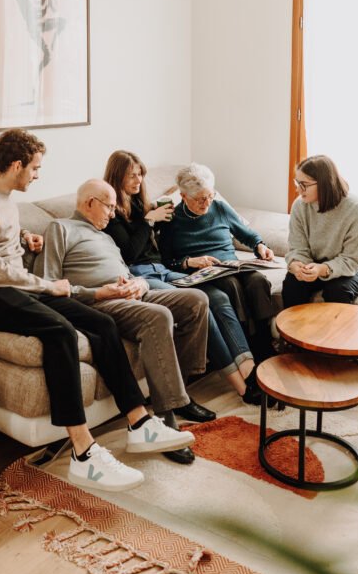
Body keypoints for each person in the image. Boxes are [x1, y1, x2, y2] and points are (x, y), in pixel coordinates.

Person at [0, 129, 194, 493]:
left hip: (12, 286)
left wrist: (22, 240)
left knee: (102, 322)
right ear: (16, 165)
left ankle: (139, 423)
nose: (37, 174)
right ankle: (83, 452)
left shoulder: (4, 197)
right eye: (34, 168)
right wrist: (49, 285)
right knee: (60, 331)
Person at [37, 178, 215, 466]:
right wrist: (98, 292)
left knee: (196, 300)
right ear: (89, 203)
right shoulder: (61, 228)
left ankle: (181, 391)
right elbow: (49, 285)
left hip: (131, 295)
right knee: (160, 317)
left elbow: (129, 273)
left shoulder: (105, 236)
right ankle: (168, 418)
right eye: (109, 207)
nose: (112, 213)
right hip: (102, 303)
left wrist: (140, 285)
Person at [103, 150, 261, 405]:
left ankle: (249, 368)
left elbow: (160, 252)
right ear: (116, 176)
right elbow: (130, 254)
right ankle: (243, 388)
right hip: (140, 274)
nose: (138, 180)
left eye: (140, 174)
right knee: (203, 303)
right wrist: (148, 222)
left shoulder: (138, 203)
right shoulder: (111, 211)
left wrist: (153, 211)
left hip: (162, 270)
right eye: (131, 176)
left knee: (218, 297)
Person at [158, 163, 277, 364]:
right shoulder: (171, 220)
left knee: (257, 281)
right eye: (199, 200)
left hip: (231, 265)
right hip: (203, 273)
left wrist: (260, 246)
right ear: (183, 196)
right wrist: (189, 262)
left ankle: (263, 340)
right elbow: (165, 260)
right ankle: (248, 345)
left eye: (210, 196)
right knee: (230, 285)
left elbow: (247, 235)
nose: (206, 204)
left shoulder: (219, 208)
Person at [283, 155, 358, 309]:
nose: (298, 189)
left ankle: (336, 334)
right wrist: (297, 265)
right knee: (293, 283)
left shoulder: (356, 209)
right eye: (297, 183)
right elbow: (297, 247)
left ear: (323, 184)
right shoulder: (299, 206)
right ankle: (290, 333)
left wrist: (322, 269)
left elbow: (352, 259)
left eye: (304, 184)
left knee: (337, 290)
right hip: (317, 264)